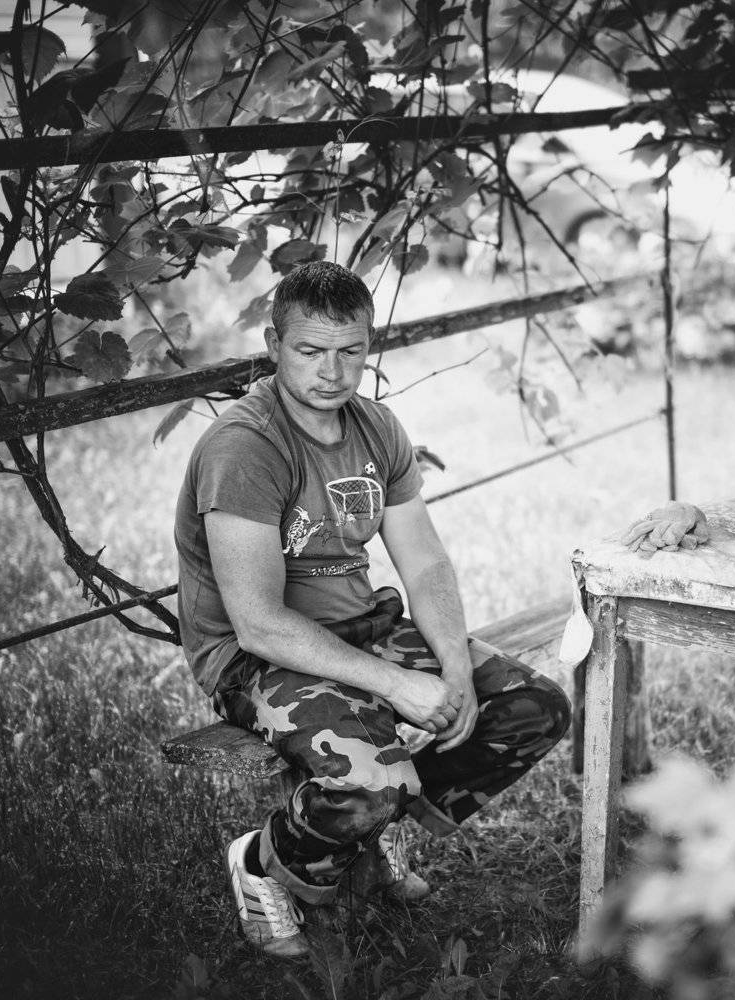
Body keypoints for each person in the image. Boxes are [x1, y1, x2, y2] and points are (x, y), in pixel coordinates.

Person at [173, 261, 570, 959]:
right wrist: (398, 685)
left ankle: (369, 826)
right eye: (310, 350)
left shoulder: (377, 427)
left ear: (368, 346)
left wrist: (453, 669)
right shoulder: (245, 448)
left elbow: (425, 563)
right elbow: (259, 622)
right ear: (273, 344)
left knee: (531, 708)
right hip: (256, 658)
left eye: (350, 351)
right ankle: (265, 859)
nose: (332, 372)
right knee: (371, 779)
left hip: (363, 629)